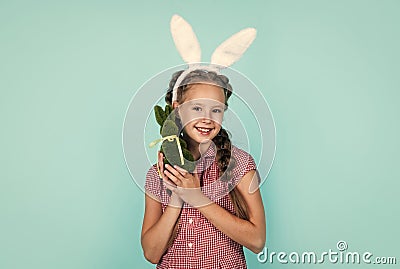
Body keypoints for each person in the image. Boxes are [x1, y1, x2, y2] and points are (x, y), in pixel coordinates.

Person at [141, 69, 266, 269]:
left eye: (216, 110)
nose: (207, 118)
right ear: (177, 109)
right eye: (197, 108)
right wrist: (178, 196)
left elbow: (257, 241)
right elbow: (151, 253)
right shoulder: (158, 173)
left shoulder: (240, 164)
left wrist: (197, 198)